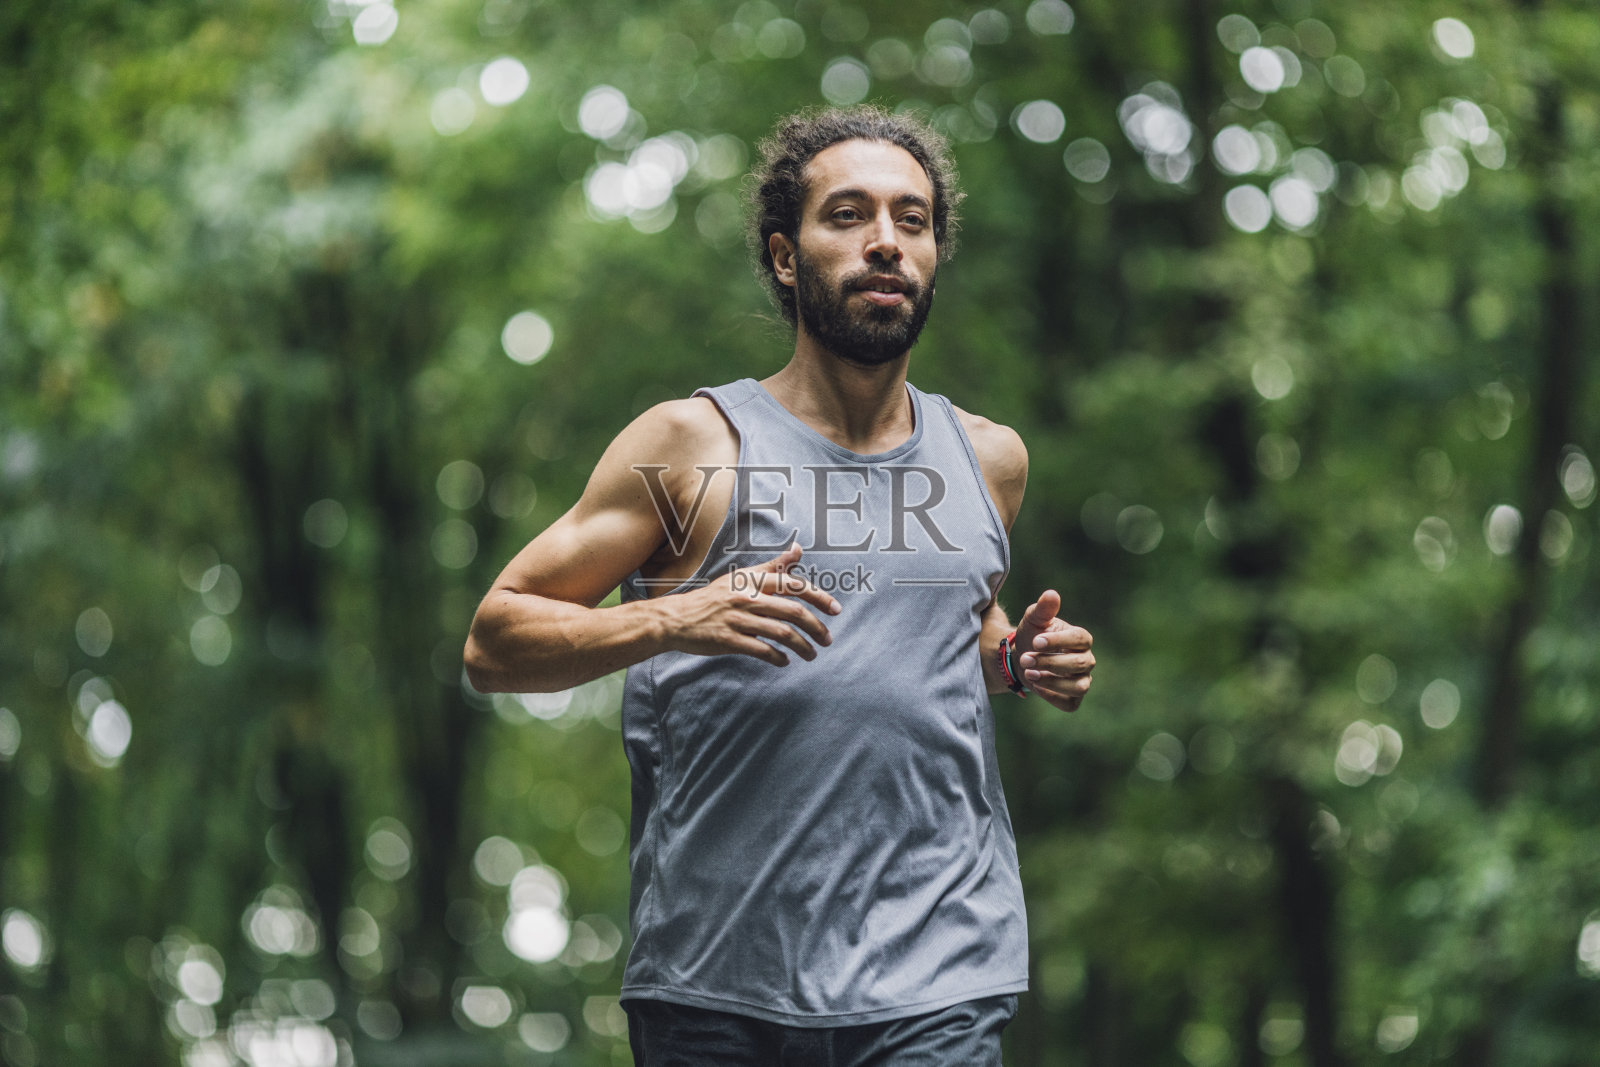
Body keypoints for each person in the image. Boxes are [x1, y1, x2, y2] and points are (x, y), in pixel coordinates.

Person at [465, 105, 1095, 1066]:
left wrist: (1014, 658)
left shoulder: (987, 459)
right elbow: (496, 640)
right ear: (785, 256)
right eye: (847, 215)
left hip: (939, 968)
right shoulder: (694, 450)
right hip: (723, 982)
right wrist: (677, 614)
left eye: (911, 219)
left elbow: (939, 624)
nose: (885, 240)